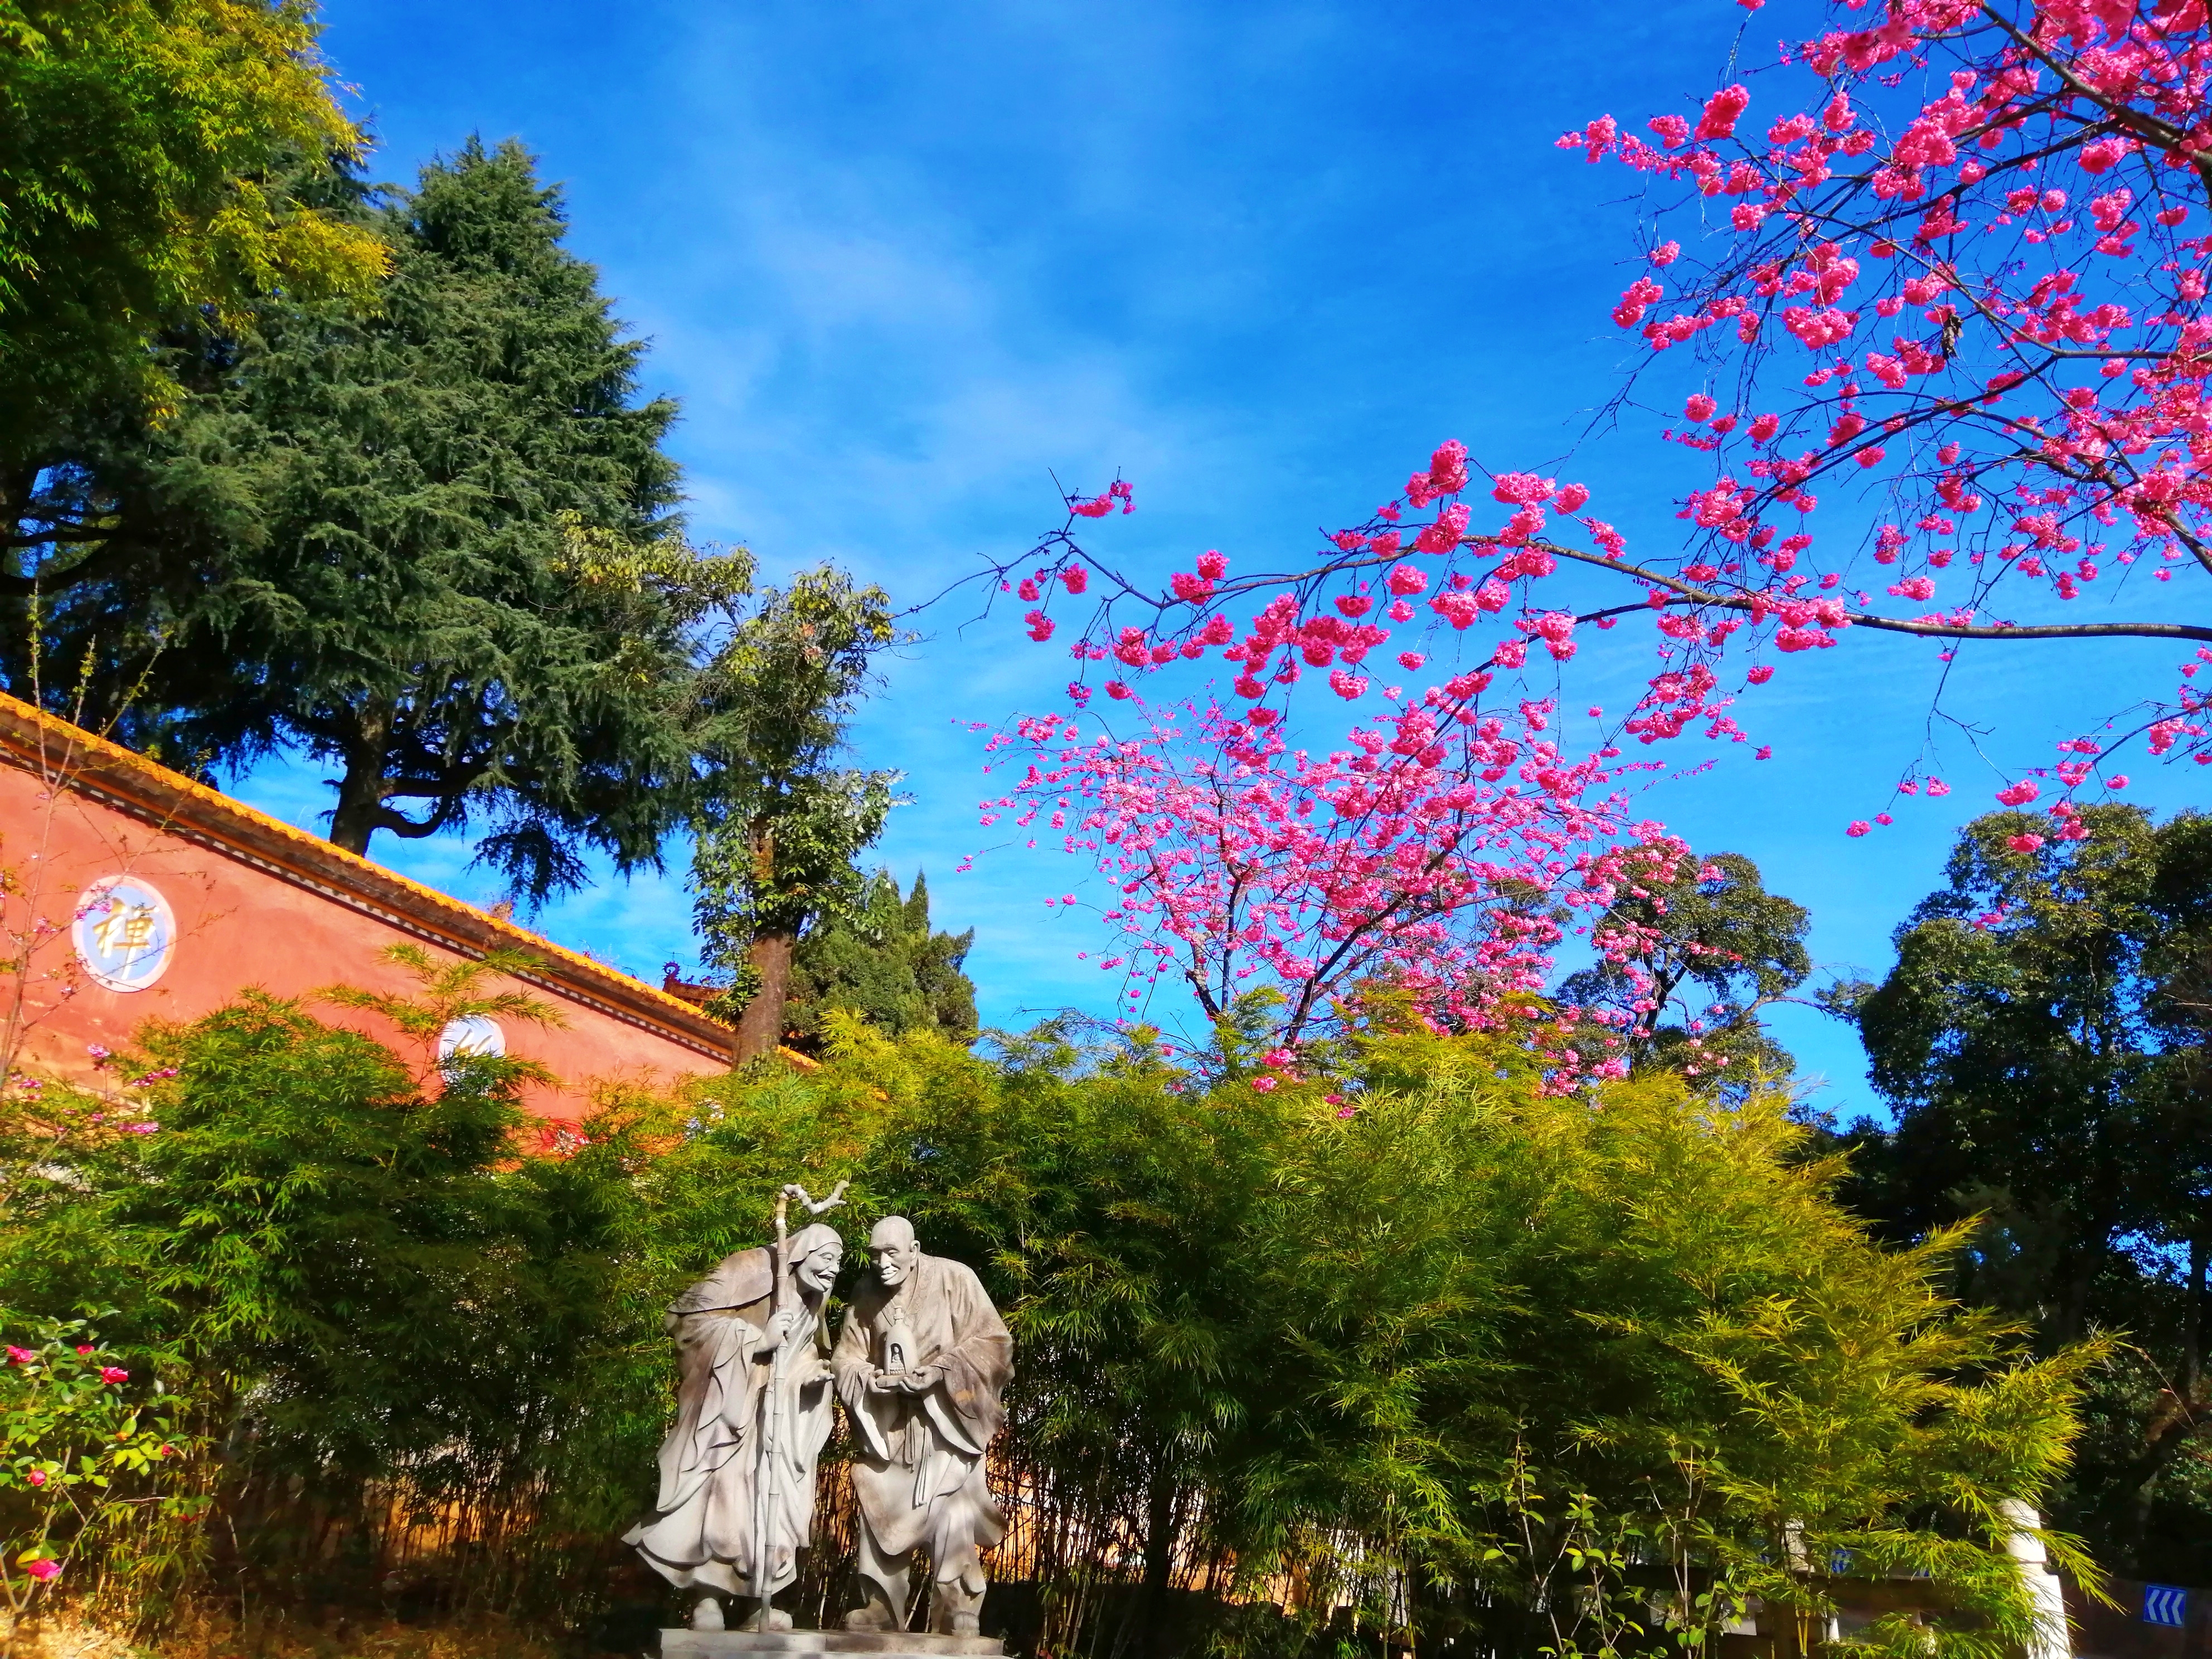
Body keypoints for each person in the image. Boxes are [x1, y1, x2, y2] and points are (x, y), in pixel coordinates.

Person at [625, 1222, 845, 1631]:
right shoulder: (748, 1267)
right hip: (730, 1415)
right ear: (801, 1254)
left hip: (777, 1424)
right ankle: (707, 1602)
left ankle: (758, 1605)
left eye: (839, 1262)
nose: (833, 1270)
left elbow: (805, 1355)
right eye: (826, 1258)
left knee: (769, 1506)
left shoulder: (813, 1304)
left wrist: (809, 1377)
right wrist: (752, 1341)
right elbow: (687, 1321)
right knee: (720, 1502)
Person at [832, 1215, 1014, 1636]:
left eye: (892, 1253)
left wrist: (942, 1371)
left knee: (952, 1508)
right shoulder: (865, 1293)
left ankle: (957, 1605)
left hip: (945, 1420)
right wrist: (870, 1378)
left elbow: (994, 1341)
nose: (882, 1263)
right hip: (891, 1424)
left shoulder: (955, 1278)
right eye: (875, 1254)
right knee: (878, 1499)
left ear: (914, 1252)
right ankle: (880, 1604)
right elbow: (846, 1357)